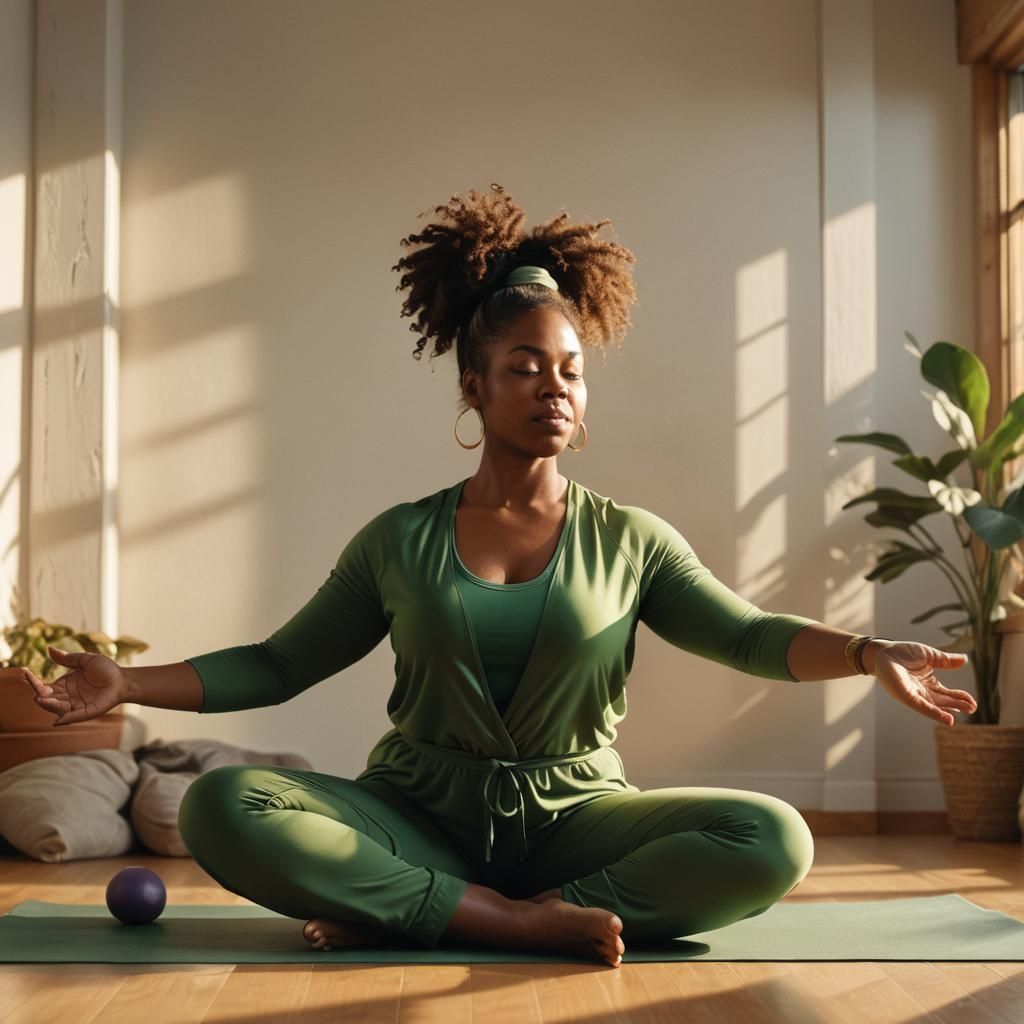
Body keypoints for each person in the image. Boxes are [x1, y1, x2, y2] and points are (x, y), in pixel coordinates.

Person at [18, 184, 977, 968]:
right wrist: (125, 681)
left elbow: (746, 635)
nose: (554, 386)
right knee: (225, 805)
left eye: (570, 369)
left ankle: (440, 914)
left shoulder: (632, 538)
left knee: (776, 838)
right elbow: (278, 665)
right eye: (526, 366)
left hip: (579, 823)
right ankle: (494, 917)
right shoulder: (399, 539)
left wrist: (865, 651)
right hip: (415, 816)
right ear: (474, 384)